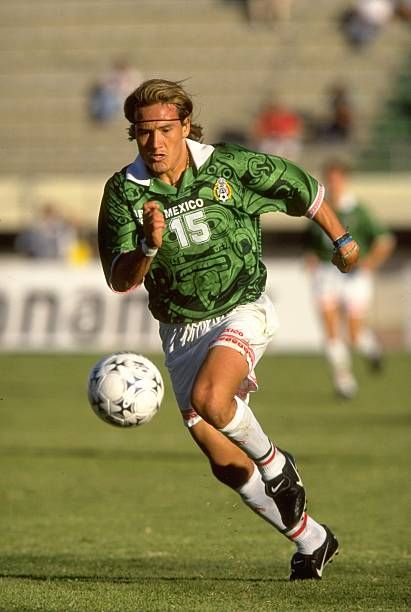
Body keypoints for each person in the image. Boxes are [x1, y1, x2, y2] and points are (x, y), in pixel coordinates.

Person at [97, 79, 360, 580]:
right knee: (223, 462)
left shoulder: (229, 167)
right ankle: (312, 539)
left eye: (165, 130)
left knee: (214, 401)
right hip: (179, 332)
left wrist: (341, 236)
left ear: (184, 127)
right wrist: (148, 247)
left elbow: (301, 187)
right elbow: (118, 278)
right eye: (144, 132)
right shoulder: (123, 192)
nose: (155, 142)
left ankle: (278, 464)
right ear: (133, 133)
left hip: (242, 306)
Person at [306, 160, 395, 399]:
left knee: (354, 335)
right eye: (330, 179)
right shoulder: (320, 209)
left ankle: (372, 350)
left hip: (353, 275)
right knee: (331, 330)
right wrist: (311, 258)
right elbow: (312, 244)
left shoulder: (358, 210)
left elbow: (385, 240)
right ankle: (343, 381)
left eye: (338, 179)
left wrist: (370, 263)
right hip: (326, 274)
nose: (334, 184)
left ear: (345, 181)